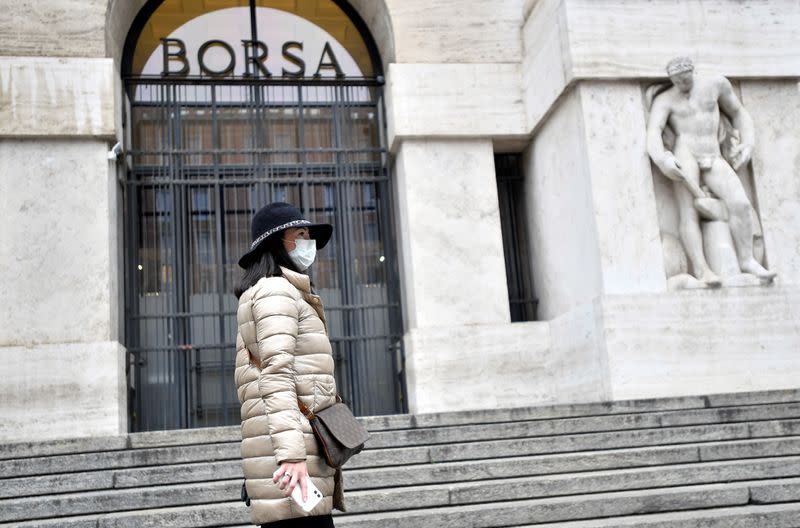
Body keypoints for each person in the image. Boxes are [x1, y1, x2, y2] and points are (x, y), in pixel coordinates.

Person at [234, 202, 345, 527]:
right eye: (300, 235)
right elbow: (275, 376)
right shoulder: (276, 292)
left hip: (292, 455)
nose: (308, 243)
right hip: (294, 462)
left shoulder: (275, 291)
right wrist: (292, 457)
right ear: (276, 242)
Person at [646, 56, 776, 285]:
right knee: (689, 213)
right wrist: (663, 160)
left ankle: (747, 260)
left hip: (712, 155)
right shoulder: (665, 100)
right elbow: (654, 132)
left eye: (685, 80)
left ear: (692, 72)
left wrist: (748, 142)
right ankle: (702, 269)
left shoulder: (715, 85)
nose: (682, 86)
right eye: (677, 82)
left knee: (741, 203)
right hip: (685, 154)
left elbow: (738, 113)